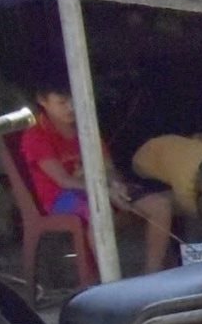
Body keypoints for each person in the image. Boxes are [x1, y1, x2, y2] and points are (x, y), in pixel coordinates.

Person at [19, 86, 174, 272]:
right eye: (62, 102)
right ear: (43, 101)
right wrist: (104, 191)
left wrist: (115, 185)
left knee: (160, 205)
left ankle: (152, 272)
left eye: (73, 101)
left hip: (101, 188)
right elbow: (64, 181)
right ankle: (109, 279)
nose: (71, 108)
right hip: (61, 198)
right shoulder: (36, 136)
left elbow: (108, 167)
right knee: (99, 212)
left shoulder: (86, 128)